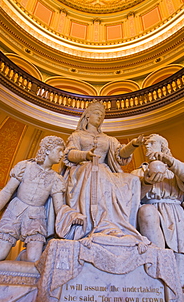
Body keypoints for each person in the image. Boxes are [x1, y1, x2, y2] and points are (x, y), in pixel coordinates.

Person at [0, 135, 84, 272]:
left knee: (33, 259)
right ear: (47, 150)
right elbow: (7, 190)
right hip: (15, 211)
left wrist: (72, 216)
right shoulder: (24, 167)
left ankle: (18, 265)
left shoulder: (57, 179)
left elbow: (59, 207)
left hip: (37, 217)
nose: (62, 155)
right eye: (59, 150)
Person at [60, 100, 150, 251]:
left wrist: (133, 144)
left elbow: (119, 155)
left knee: (133, 180)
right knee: (94, 169)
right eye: (96, 113)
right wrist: (85, 155)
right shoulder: (77, 135)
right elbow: (69, 154)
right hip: (83, 170)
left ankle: (126, 228)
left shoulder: (108, 139)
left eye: (102, 115)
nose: (100, 117)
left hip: (104, 172)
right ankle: (99, 224)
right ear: (87, 116)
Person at [131, 133, 184, 288]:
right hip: (149, 215)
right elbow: (129, 200)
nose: (147, 146)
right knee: (157, 269)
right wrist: (147, 182)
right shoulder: (139, 173)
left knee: (182, 275)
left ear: (163, 147)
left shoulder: (176, 171)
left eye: (152, 143)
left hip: (176, 218)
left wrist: (171, 162)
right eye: (146, 143)